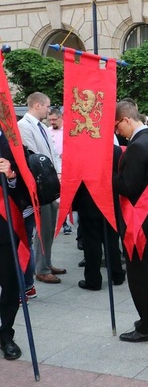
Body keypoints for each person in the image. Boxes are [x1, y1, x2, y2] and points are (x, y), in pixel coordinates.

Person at [114, 100, 148, 342]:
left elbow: (128, 186)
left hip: (137, 219)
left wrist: (107, 178)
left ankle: (147, 327)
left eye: (117, 126)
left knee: (140, 274)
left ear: (126, 119)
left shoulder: (136, 147)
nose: (117, 132)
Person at [18, 92, 66, 284]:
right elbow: (32, 156)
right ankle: (41, 268)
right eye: (47, 106)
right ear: (37, 105)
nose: (49, 109)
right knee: (43, 227)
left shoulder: (43, 127)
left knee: (48, 228)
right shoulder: (23, 126)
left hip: (49, 182)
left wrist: (59, 174)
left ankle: (46, 262)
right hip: (39, 185)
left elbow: (53, 153)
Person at [0, 129, 31, 360]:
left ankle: (6, 335)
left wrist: (11, 176)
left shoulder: (11, 141)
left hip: (5, 227)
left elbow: (27, 184)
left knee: (10, 285)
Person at [47, 108, 72, 235]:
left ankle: (65, 222)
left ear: (61, 117)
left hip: (67, 166)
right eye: (49, 120)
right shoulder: (47, 131)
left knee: (65, 195)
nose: (51, 122)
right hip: (52, 167)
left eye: (54, 119)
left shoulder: (69, 131)